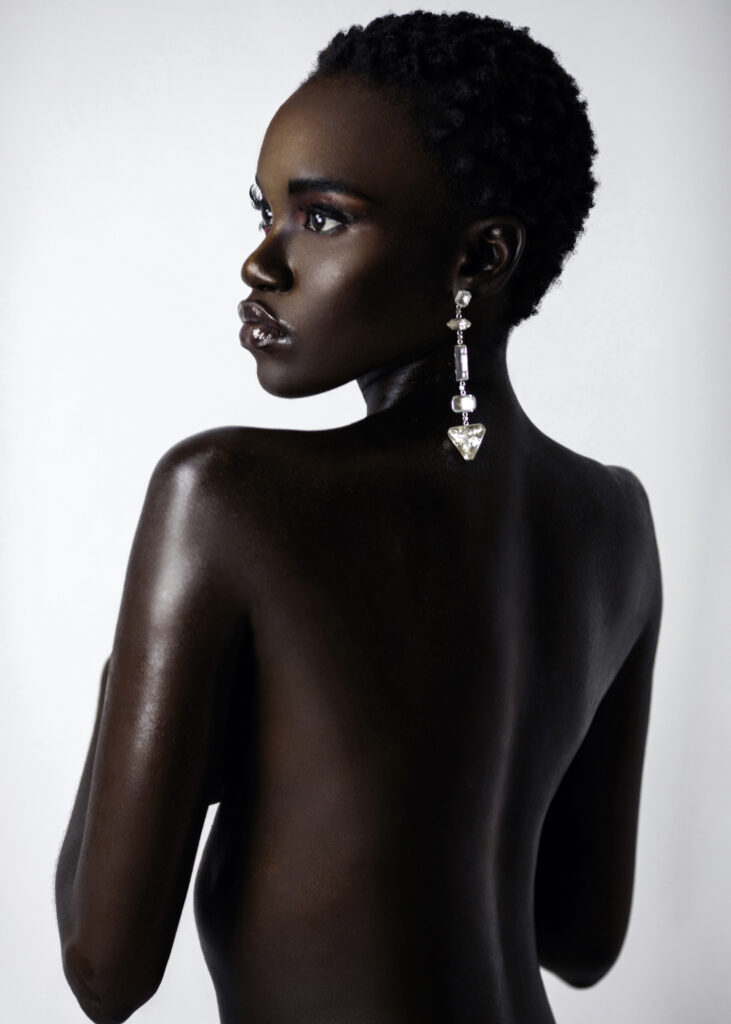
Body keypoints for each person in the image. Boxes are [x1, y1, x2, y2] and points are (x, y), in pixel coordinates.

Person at [55, 11, 662, 1024]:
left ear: (478, 259)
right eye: (265, 212)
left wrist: (130, 688)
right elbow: (578, 941)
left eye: (321, 218)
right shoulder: (615, 519)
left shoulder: (224, 495)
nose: (261, 263)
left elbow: (104, 973)